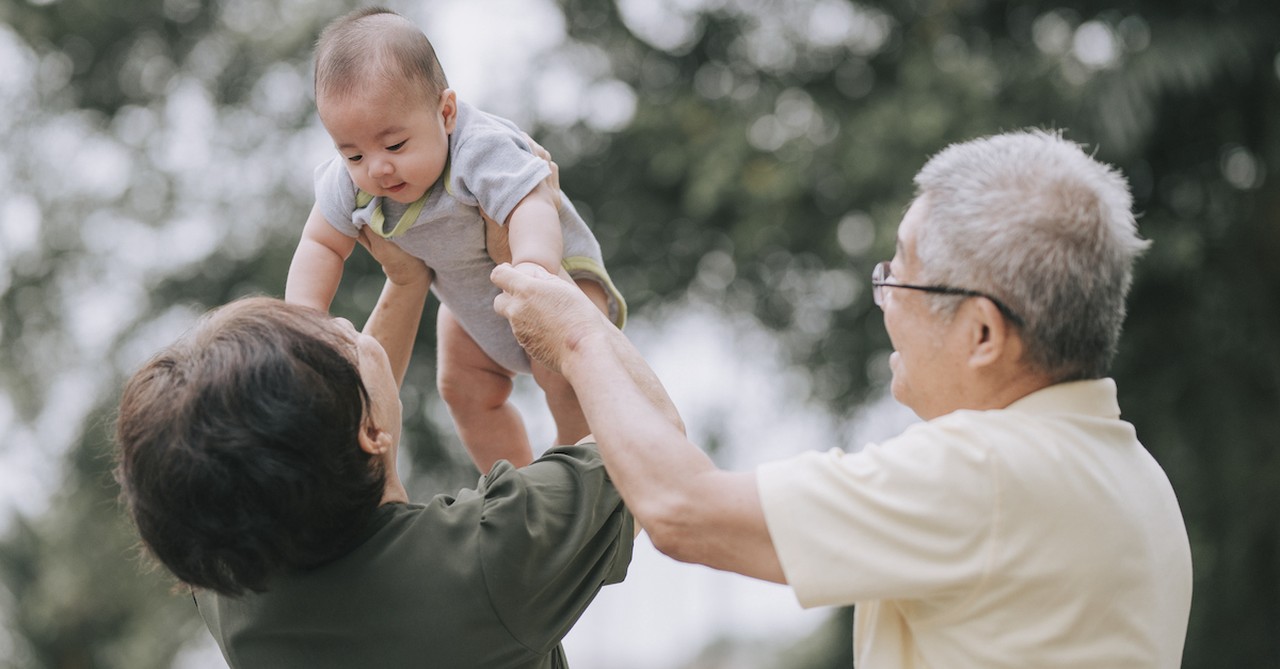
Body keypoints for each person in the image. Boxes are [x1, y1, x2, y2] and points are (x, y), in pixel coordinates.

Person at [492, 130, 1193, 668]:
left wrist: (577, 339)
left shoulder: (985, 473)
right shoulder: (1135, 478)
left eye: (901, 278)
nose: (884, 300)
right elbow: (681, 484)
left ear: (983, 331)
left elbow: (684, 511)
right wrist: (588, 329)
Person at [114, 230, 640, 668]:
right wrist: (569, 322)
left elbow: (336, 420)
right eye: (334, 338)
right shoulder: (489, 554)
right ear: (368, 433)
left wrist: (407, 281)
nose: (344, 324)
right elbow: (649, 446)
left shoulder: (237, 590)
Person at [284, 6, 626, 473]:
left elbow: (532, 201)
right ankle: (518, 483)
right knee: (462, 390)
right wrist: (304, 318)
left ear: (445, 112)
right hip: (467, 301)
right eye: (354, 153)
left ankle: (579, 465)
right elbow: (321, 245)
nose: (378, 168)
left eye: (396, 146)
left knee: (566, 376)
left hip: (553, 277)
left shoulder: (478, 148)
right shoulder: (349, 181)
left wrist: (532, 268)